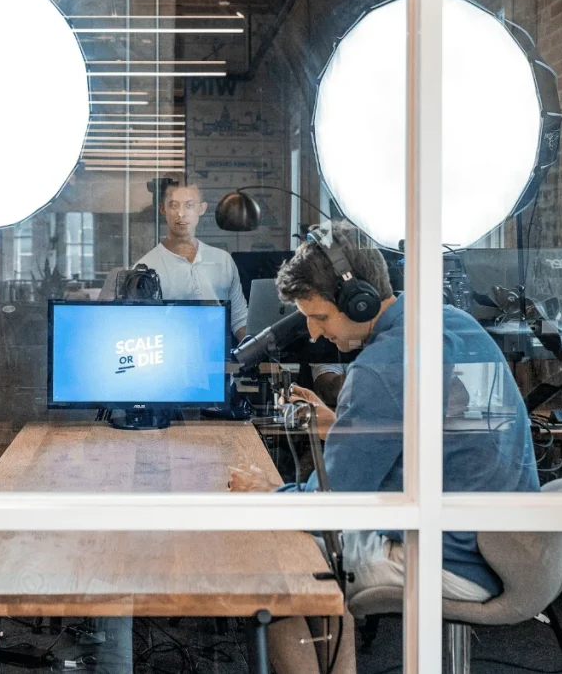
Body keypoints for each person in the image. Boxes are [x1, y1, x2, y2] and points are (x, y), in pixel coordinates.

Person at [230, 222, 540, 674]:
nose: (314, 334)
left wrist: (266, 495)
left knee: (281, 571)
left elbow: (331, 506)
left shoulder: (379, 369)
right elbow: (435, 431)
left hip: (452, 558)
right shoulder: (452, 322)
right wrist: (346, 427)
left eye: (319, 317)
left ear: (361, 300)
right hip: (508, 545)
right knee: (304, 554)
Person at [136, 180, 249, 341]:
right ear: (163, 209)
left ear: (201, 209)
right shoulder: (146, 268)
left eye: (189, 205)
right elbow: (142, 328)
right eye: (174, 205)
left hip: (219, 358)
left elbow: (239, 319)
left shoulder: (223, 260)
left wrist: (256, 355)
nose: (181, 214)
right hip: (170, 358)